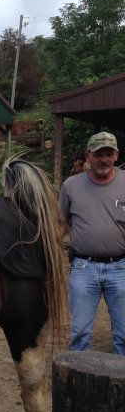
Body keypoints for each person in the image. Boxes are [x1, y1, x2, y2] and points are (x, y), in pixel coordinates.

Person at [59, 131, 125, 356]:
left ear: (116, 155)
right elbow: (60, 223)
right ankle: (78, 386)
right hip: (83, 268)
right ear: (88, 156)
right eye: (98, 154)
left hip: (121, 268)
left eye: (108, 153)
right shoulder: (71, 186)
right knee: (79, 333)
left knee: (124, 335)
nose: (103, 159)